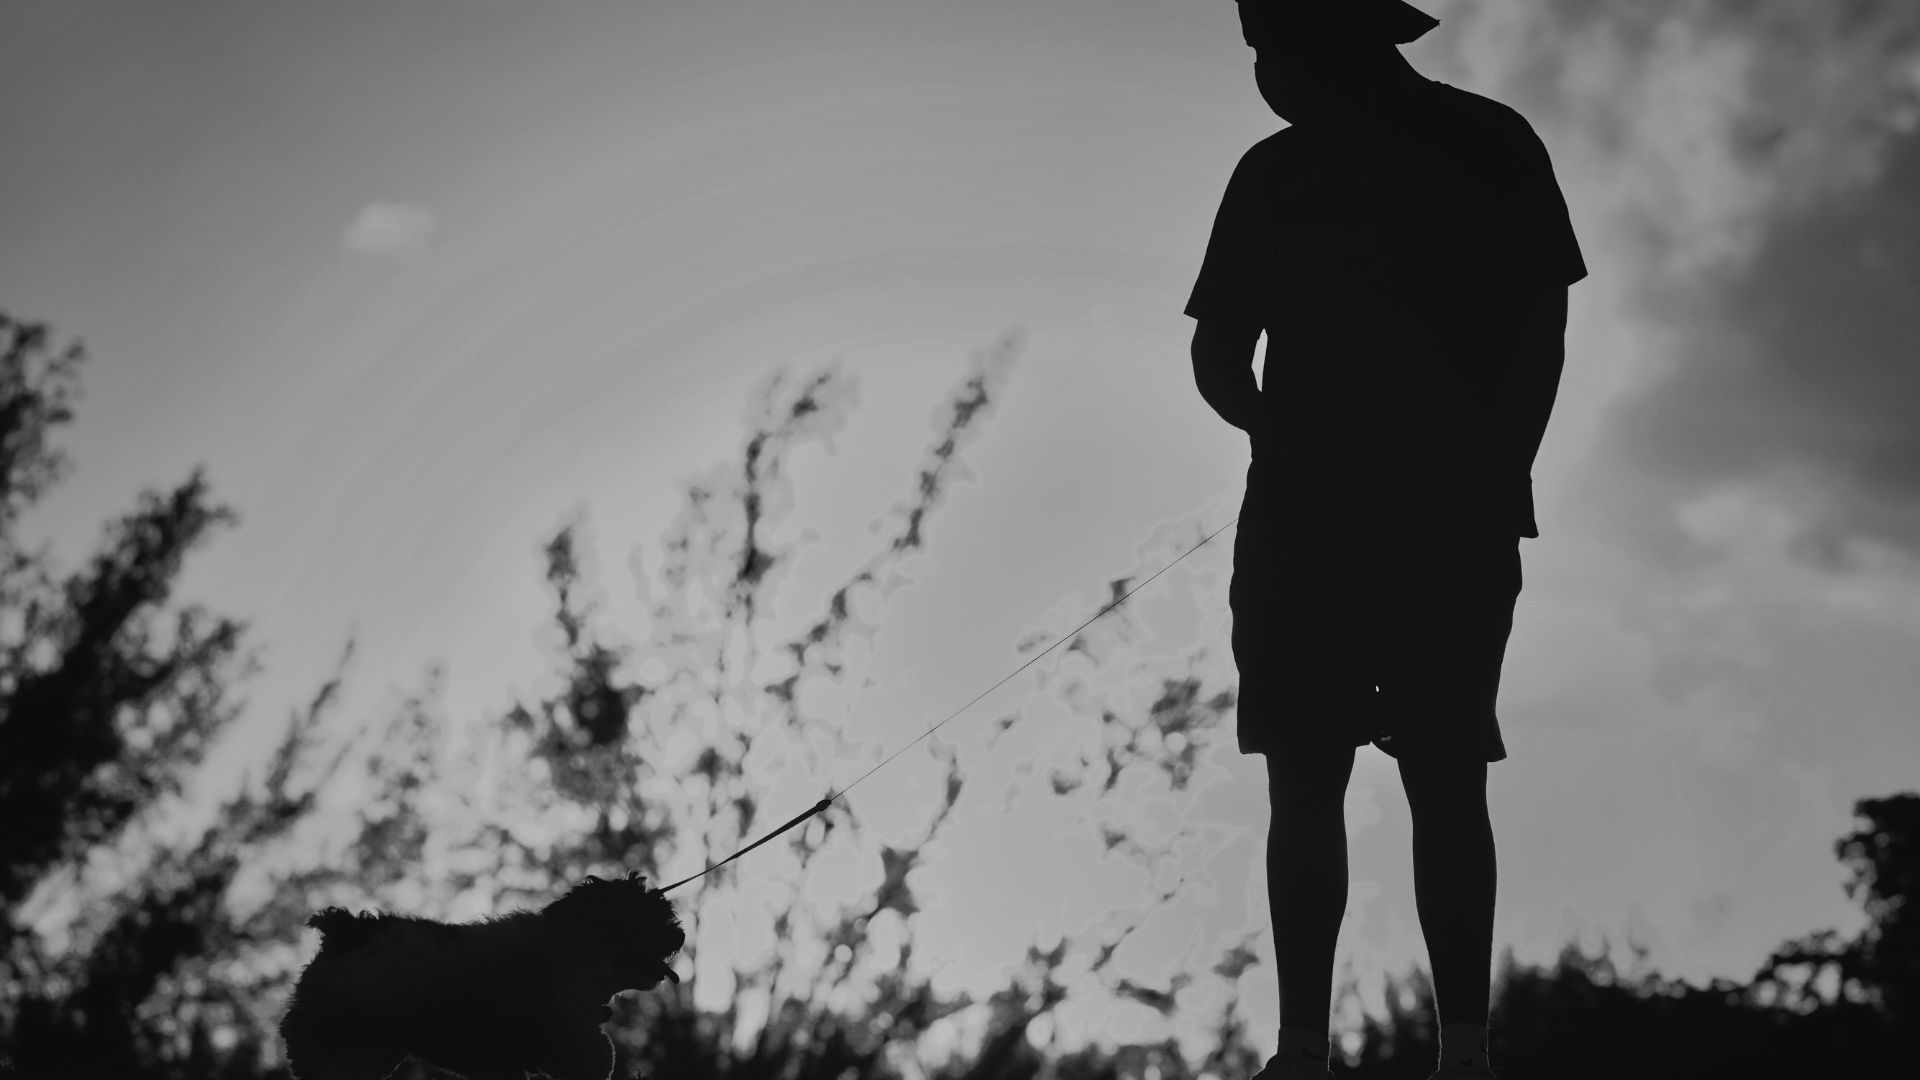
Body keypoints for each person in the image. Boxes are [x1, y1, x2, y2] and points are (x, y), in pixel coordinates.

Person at [1183, 2, 1588, 1078]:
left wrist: (1492, 471)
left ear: (1356, 35)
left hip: (1448, 520)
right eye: (1258, 51)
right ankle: (1303, 1052)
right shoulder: (1267, 175)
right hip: (1298, 524)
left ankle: (1464, 1053)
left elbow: (1539, 330)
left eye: (1281, 46)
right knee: (1304, 773)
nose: (1268, 70)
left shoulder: (1489, 145)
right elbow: (1220, 350)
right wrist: (1273, 422)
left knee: (1445, 769)